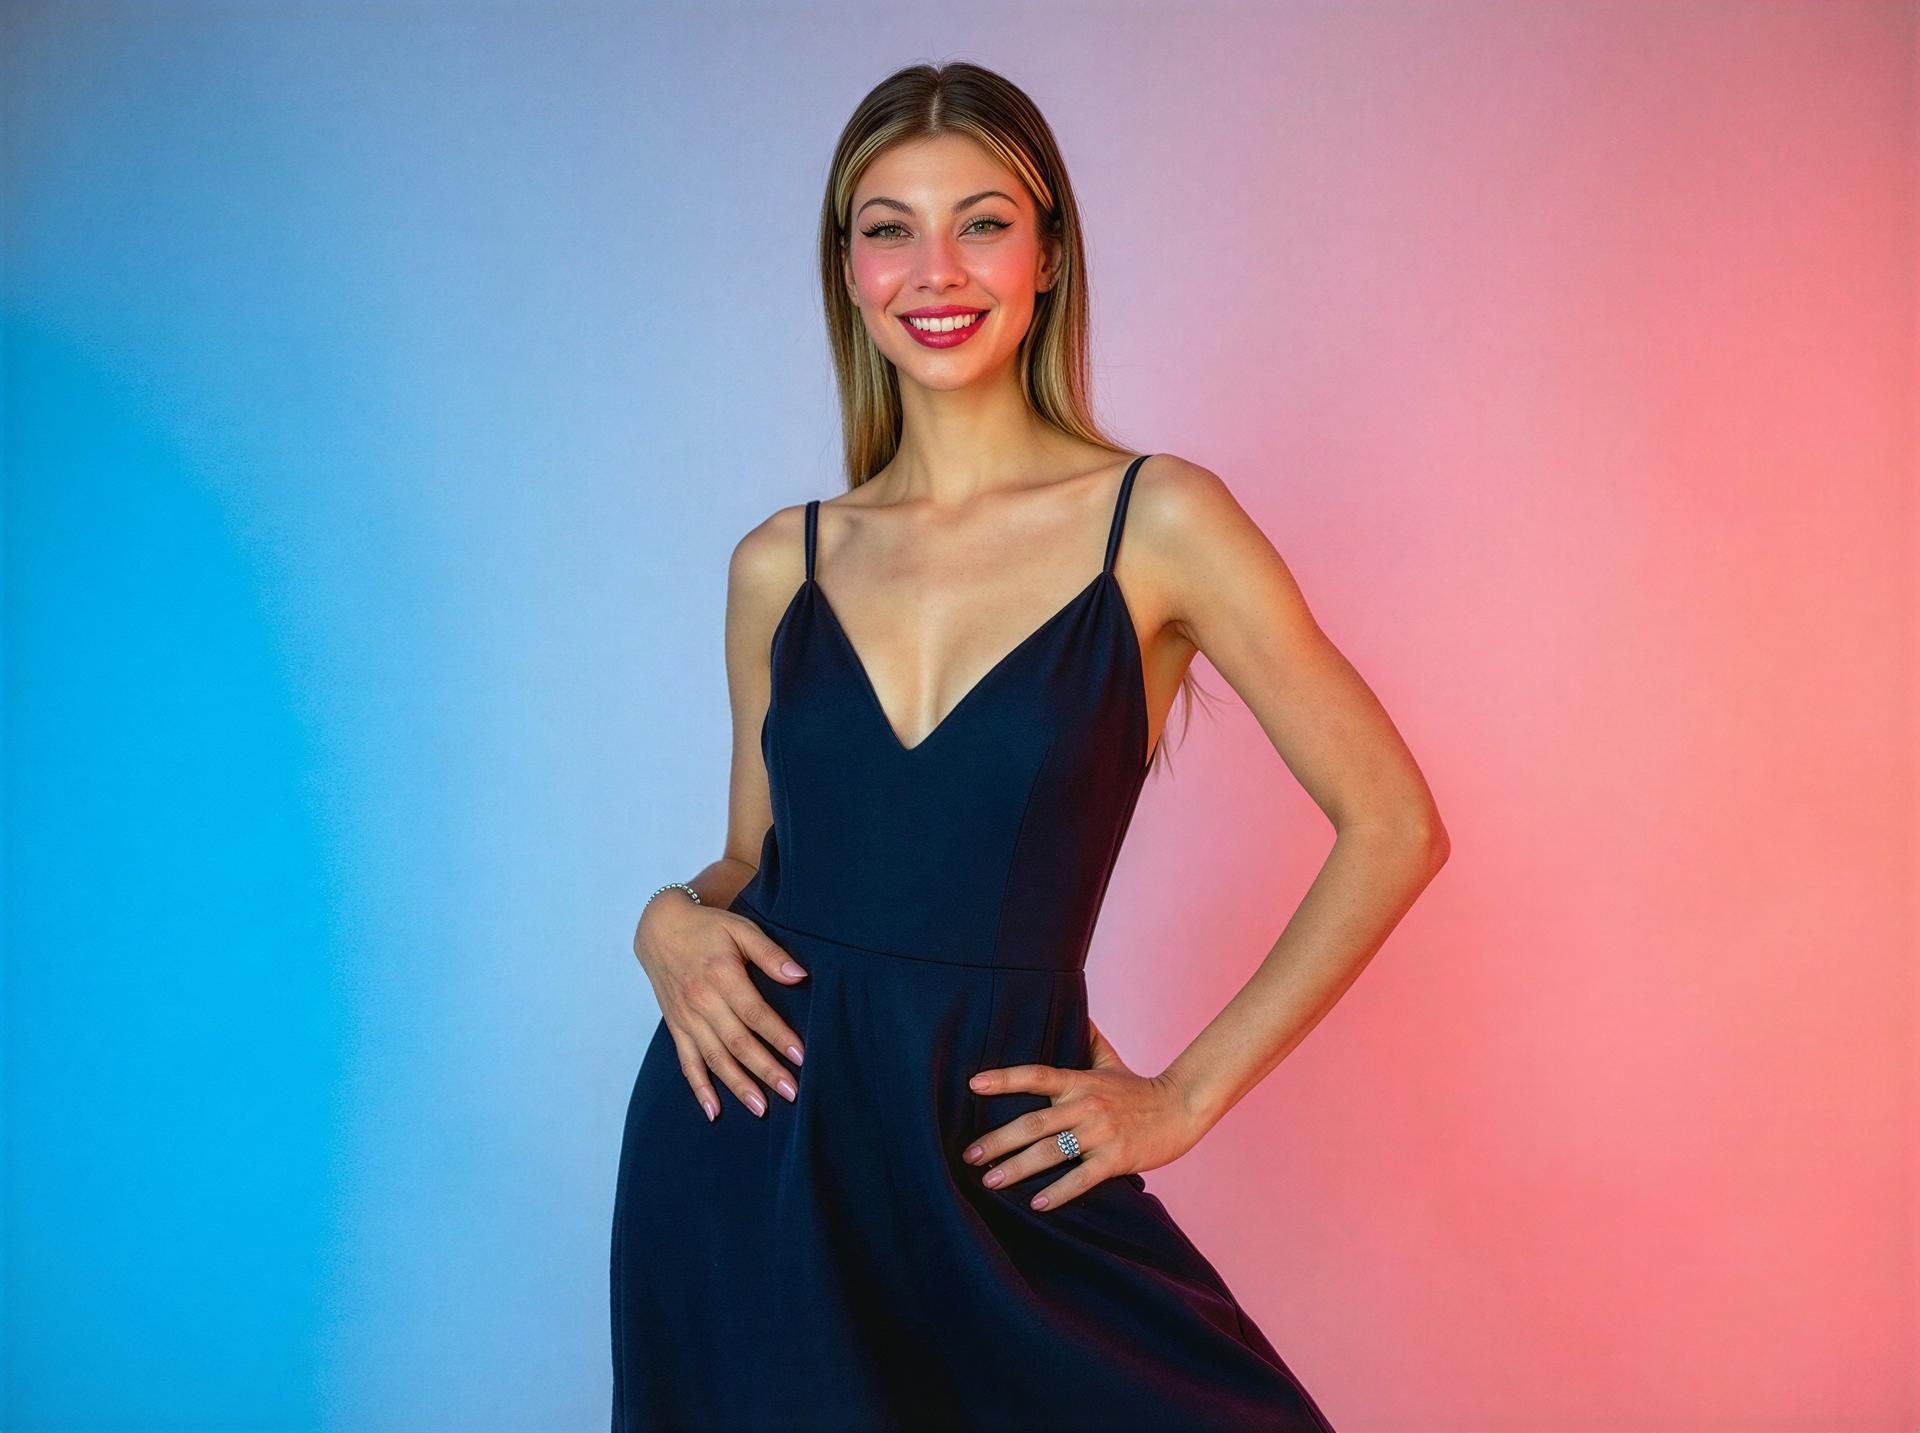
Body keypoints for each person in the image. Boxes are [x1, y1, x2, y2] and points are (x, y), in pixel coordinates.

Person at [611, 59, 1447, 1432]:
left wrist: (1179, 1098)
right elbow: (752, 857)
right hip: (752, 1157)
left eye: (982, 220)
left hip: (994, 1157)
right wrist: (663, 919)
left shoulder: (1161, 523)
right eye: (889, 226)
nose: (935, 267)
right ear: (847, 267)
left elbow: (1394, 822)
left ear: (1050, 252)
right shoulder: (781, 563)